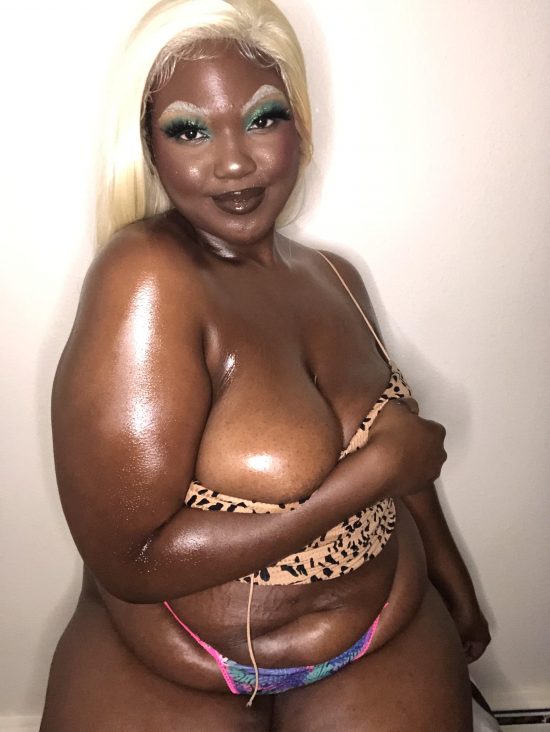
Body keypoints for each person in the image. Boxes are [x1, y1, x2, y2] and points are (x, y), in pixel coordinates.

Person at [41, 1, 491, 729]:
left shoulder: (336, 276)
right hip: (185, 660)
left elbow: (408, 465)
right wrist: (370, 475)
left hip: (387, 626)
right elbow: (134, 560)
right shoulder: (146, 277)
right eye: (189, 129)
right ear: (148, 146)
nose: (234, 162)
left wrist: (453, 581)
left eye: (262, 117)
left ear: (299, 125)